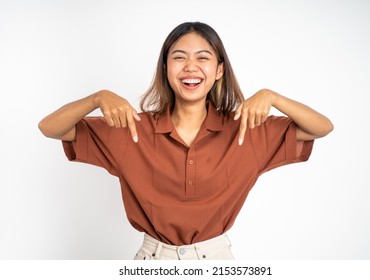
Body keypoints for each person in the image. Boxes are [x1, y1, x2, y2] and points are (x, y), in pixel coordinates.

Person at [38, 21, 333, 260]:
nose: (190, 66)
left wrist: (274, 97)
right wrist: (96, 98)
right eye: (179, 57)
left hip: (215, 261)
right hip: (152, 261)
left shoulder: (246, 129)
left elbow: (321, 128)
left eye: (202, 58)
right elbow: (49, 128)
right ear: (166, 69)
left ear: (219, 70)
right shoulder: (131, 129)